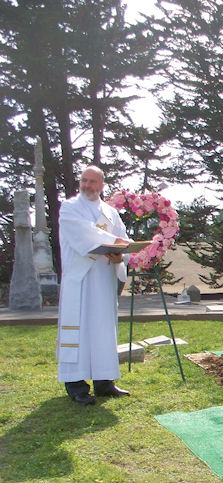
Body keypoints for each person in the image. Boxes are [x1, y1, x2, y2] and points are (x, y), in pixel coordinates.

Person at [56, 165, 131, 405]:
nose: (87, 185)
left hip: (103, 280)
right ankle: (76, 384)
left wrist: (121, 255)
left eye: (92, 182)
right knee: (78, 330)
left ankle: (104, 382)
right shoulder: (69, 208)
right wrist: (115, 243)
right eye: (84, 180)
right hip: (80, 281)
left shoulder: (111, 213)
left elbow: (124, 240)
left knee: (102, 330)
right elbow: (84, 234)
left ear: (101, 186)